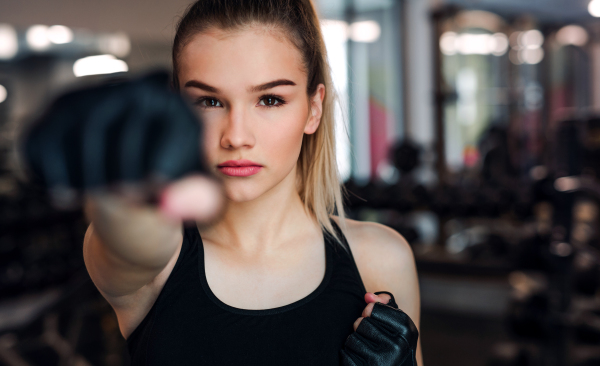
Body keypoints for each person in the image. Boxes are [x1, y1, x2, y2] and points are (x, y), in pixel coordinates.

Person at [25, 0, 422, 364]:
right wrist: (126, 181)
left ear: (313, 109)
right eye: (209, 101)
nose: (235, 136)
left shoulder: (381, 258)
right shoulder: (158, 266)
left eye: (269, 100)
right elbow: (133, 238)